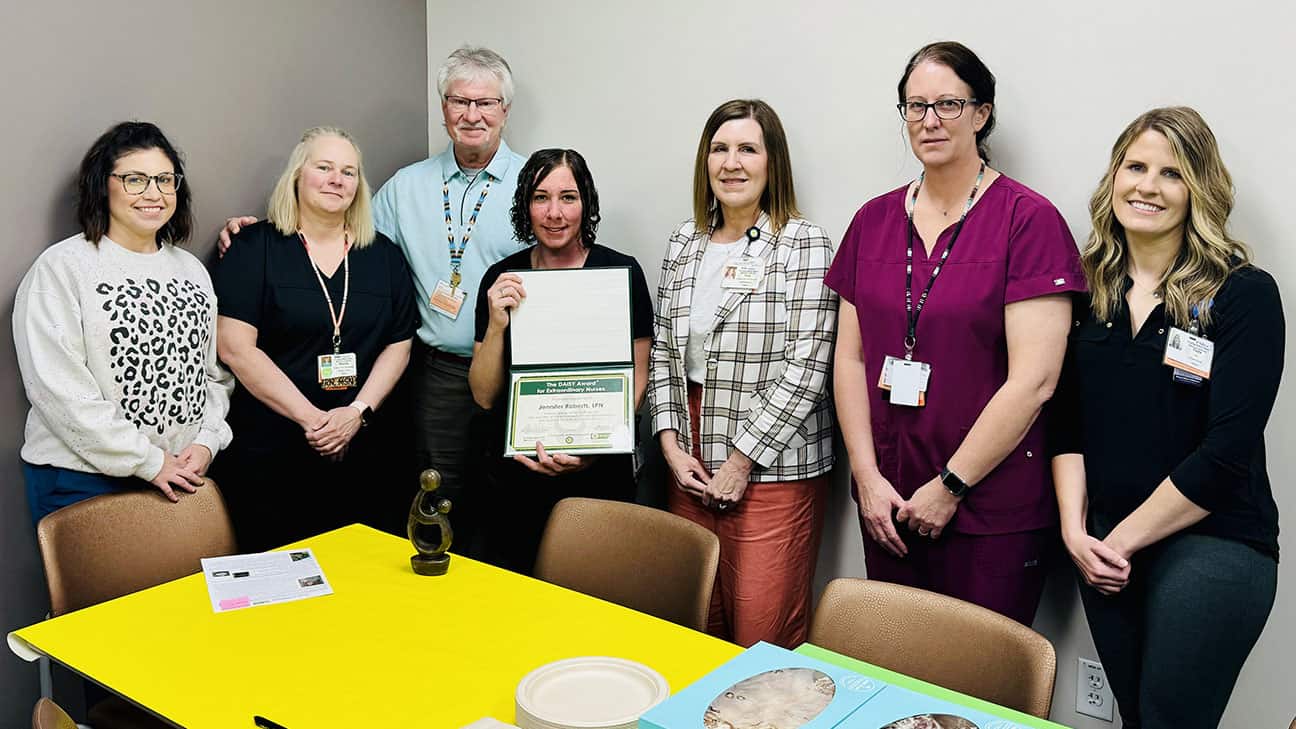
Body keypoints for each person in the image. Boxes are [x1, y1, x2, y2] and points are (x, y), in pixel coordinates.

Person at [218, 46, 526, 552]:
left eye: (486, 103)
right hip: (438, 375)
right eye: (459, 101)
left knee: (510, 503)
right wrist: (250, 233)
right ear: (444, 109)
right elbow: (338, 231)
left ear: (505, 111)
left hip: (514, 369)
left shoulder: (533, 184)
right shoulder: (405, 188)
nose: (472, 115)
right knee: (438, 503)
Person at [825, 41, 1084, 625]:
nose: (930, 121)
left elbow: (1035, 382)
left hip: (991, 509)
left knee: (978, 698)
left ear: (982, 113)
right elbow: (849, 359)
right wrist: (865, 478)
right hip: (888, 504)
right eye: (915, 107)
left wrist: (950, 486)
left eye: (948, 104)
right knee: (899, 689)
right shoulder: (872, 221)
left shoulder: (1027, 219)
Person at [1050, 107, 1282, 728]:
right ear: (1114, 178)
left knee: (1169, 720)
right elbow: (1064, 420)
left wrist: (1116, 541)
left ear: (1199, 190)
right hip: (1102, 539)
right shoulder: (1085, 291)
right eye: (1136, 167)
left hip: (1213, 541)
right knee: (1135, 717)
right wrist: (1075, 533)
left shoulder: (1243, 295)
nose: (1148, 186)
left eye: (1172, 174)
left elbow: (1227, 453)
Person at [648, 99, 836, 648]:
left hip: (771, 462)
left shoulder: (804, 243)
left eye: (748, 149)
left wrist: (740, 461)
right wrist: (669, 445)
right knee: (695, 621)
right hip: (690, 453)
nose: (732, 163)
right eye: (720, 149)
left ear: (772, 162)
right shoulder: (685, 241)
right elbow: (664, 351)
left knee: (761, 630)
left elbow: (809, 364)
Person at [14, 121, 232, 524]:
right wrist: (148, 461)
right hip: (83, 481)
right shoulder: (62, 268)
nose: (154, 193)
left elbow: (212, 377)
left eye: (165, 179)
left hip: (181, 475)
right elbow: (58, 391)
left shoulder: (192, 272)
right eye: (135, 179)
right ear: (103, 186)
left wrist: (206, 442)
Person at [212, 126, 417, 551]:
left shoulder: (384, 255)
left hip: (366, 447)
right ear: (297, 177)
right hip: (273, 450)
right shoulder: (254, 247)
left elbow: (400, 342)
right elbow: (234, 346)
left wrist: (356, 413)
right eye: (323, 167)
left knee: (367, 577)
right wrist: (314, 421)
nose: (336, 179)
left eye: (348, 171)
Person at [469, 148, 653, 574]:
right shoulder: (503, 278)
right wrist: (497, 325)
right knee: (517, 601)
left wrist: (595, 446)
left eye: (568, 197)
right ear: (525, 205)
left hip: (600, 475)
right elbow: (482, 395)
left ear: (586, 202)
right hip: (515, 477)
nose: (554, 212)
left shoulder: (622, 271)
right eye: (540, 198)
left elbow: (639, 374)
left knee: (597, 594)